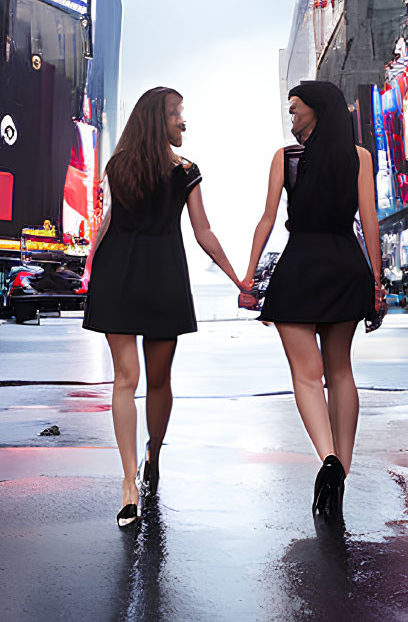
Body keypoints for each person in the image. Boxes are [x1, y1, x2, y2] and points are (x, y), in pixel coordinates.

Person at [84, 86, 246, 528]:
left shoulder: (119, 165)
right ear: (159, 119)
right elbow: (203, 232)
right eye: (177, 114)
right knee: (152, 381)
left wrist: (90, 272)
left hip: (117, 273)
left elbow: (107, 224)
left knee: (127, 380)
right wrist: (240, 278)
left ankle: (134, 476)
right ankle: (143, 466)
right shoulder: (186, 172)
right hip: (162, 276)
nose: (183, 122)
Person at [240, 80, 384, 521]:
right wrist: (376, 283)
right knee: (340, 371)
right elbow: (368, 219)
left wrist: (249, 275)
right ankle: (343, 469)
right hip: (344, 264)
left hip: (299, 266)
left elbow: (267, 219)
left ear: (317, 110)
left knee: (306, 375)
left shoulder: (286, 159)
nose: (291, 117)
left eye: (296, 109)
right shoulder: (358, 157)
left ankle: (327, 458)